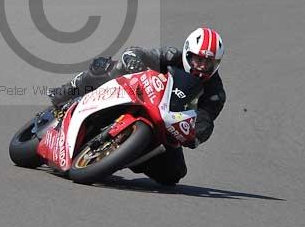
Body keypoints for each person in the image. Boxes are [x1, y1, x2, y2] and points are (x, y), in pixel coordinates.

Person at [47, 27, 226, 186]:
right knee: (108, 67)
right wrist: (133, 58)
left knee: (174, 174)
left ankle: (126, 156)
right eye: (198, 59)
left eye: (208, 62)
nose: (202, 66)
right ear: (188, 54)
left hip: (166, 124)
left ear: (216, 64)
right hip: (139, 93)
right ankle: (66, 92)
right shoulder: (172, 56)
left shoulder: (215, 94)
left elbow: (205, 120)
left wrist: (197, 134)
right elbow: (142, 53)